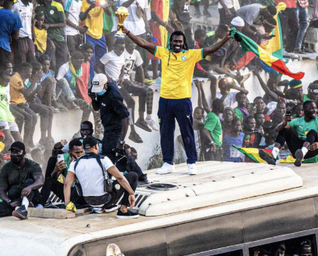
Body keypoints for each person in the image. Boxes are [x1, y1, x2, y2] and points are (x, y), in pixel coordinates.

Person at [124, 28, 230, 176]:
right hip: (165, 101)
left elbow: (211, 49)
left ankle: (191, 163)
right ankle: (168, 163)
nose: (177, 44)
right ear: (171, 42)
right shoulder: (163, 53)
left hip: (182, 100)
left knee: (187, 132)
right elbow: (143, 43)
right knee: (166, 133)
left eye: (180, 41)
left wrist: (225, 39)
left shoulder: (191, 55)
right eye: (175, 41)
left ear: (183, 43)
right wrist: (127, 32)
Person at [62, 135, 138, 218]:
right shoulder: (103, 159)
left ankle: (103, 208)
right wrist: (131, 193)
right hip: (106, 200)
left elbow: (67, 184)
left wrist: (67, 203)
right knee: (133, 176)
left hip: (87, 201)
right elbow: (120, 177)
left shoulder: (75, 163)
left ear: (84, 149)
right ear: (96, 146)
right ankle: (123, 209)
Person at [264, 99, 318, 166]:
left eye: (315, 108)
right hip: (297, 153)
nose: (314, 111)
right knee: (285, 129)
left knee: (312, 132)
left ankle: (302, 153)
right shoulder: (298, 121)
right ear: (304, 110)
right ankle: (273, 155)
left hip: (313, 153)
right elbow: (277, 130)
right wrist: (284, 123)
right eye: (311, 108)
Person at [88, 73, 130, 160]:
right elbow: (96, 108)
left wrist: (121, 141)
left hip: (115, 130)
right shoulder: (100, 91)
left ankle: (134, 172)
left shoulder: (113, 97)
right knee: (107, 153)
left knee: (110, 155)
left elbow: (125, 117)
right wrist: (93, 98)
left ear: (105, 85)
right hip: (107, 128)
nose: (98, 92)